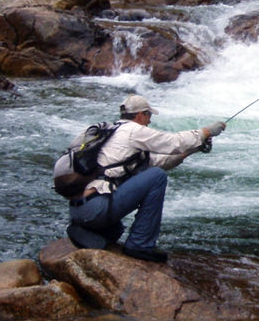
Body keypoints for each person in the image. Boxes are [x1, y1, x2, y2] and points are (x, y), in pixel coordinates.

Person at [60, 94, 226, 263]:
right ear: (140, 114)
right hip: (97, 208)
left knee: (119, 227)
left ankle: (94, 230)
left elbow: (160, 162)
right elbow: (173, 142)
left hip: (79, 210)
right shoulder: (133, 131)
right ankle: (140, 244)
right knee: (157, 177)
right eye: (149, 116)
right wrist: (206, 132)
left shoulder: (112, 133)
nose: (150, 121)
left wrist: (194, 148)